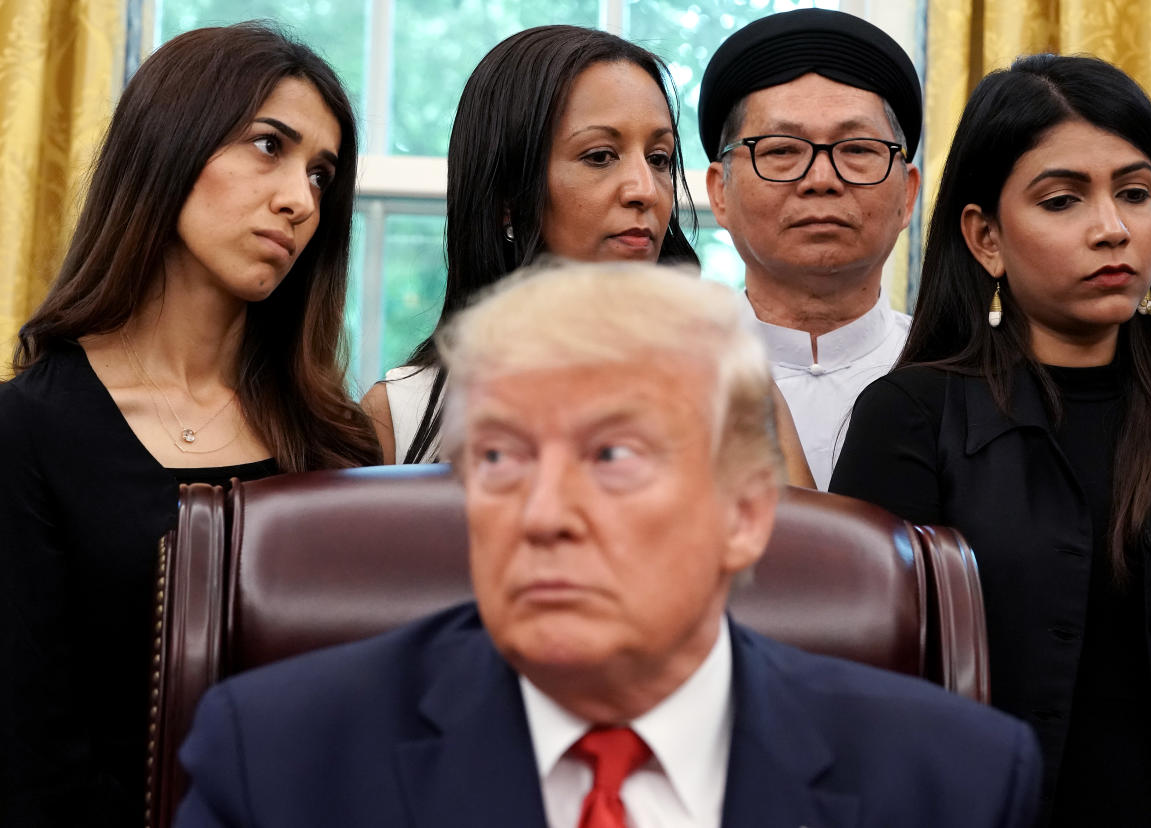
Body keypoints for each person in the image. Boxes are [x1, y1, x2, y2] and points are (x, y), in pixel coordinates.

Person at [175, 262, 1042, 828]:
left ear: (744, 515)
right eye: (501, 458)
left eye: (612, 456)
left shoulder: (948, 785)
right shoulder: (280, 763)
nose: (544, 513)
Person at [829, 55, 1151, 828]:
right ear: (985, 237)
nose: (1112, 228)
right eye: (1062, 200)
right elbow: (861, 706)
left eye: (1134, 192)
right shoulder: (911, 416)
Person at [0, 23, 380, 827]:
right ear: (169, 142)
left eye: (322, 174)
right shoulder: (24, 432)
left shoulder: (337, 442)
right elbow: (30, 761)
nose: (300, 198)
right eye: (268, 145)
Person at [361, 25, 814, 487]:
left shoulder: (741, 398)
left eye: (659, 158)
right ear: (507, 200)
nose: (645, 190)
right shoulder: (397, 416)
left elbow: (814, 556)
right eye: (600, 156)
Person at [699, 8, 922, 489]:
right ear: (720, 192)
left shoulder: (960, 375)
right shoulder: (667, 375)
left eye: (857, 149)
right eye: (781, 150)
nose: (821, 180)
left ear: (907, 194)